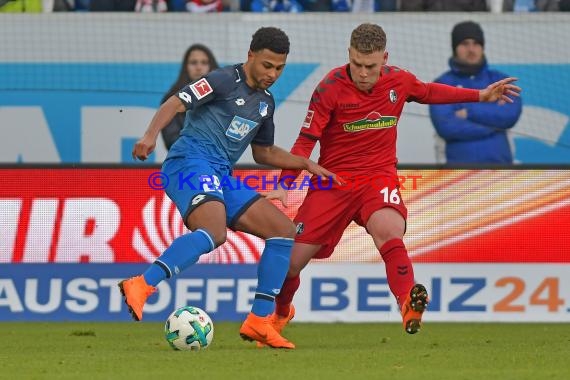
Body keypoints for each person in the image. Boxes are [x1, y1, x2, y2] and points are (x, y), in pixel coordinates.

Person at [264, 23, 520, 342]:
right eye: (356, 64)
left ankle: (407, 304)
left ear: (384, 58)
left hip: (378, 177)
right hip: (333, 182)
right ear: (349, 55)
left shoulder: (399, 80)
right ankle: (280, 313)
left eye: (370, 66)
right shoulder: (329, 87)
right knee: (290, 264)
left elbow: (428, 91)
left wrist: (480, 95)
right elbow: (305, 141)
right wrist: (287, 183)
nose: (362, 72)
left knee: (389, 230)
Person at [120, 26, 340, 350]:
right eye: (267, 65)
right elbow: (177, 103)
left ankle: (259, 322)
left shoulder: (265, 103)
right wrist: (150, 135)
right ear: (251, 56)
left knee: (283, 230)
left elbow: (263, 152)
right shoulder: (223, 80)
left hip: (221, 173)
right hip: (188, 162)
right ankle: (141, 285)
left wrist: (303, 163)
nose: (272, 74)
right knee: (214, 231)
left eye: (279, 68)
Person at [429, 21, 522, 164]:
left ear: (482, 47)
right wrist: (495, 125)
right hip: (457, 176)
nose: (471, 49)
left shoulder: (500, 81)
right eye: (465, 44)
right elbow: (446, 126)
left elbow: (510, 115)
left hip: (500, 172)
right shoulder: (441, 84)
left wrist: (469, 112)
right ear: (455, 48)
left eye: (476, 43)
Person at [161, 44, 219, 150]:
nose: (198, 67)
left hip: (218, 163)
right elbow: (171, 140)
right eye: (193, 62)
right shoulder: (171, 99)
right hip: (184, 160)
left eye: (204, 62)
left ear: (211, 66)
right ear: (185, 67)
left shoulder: (223, 97)